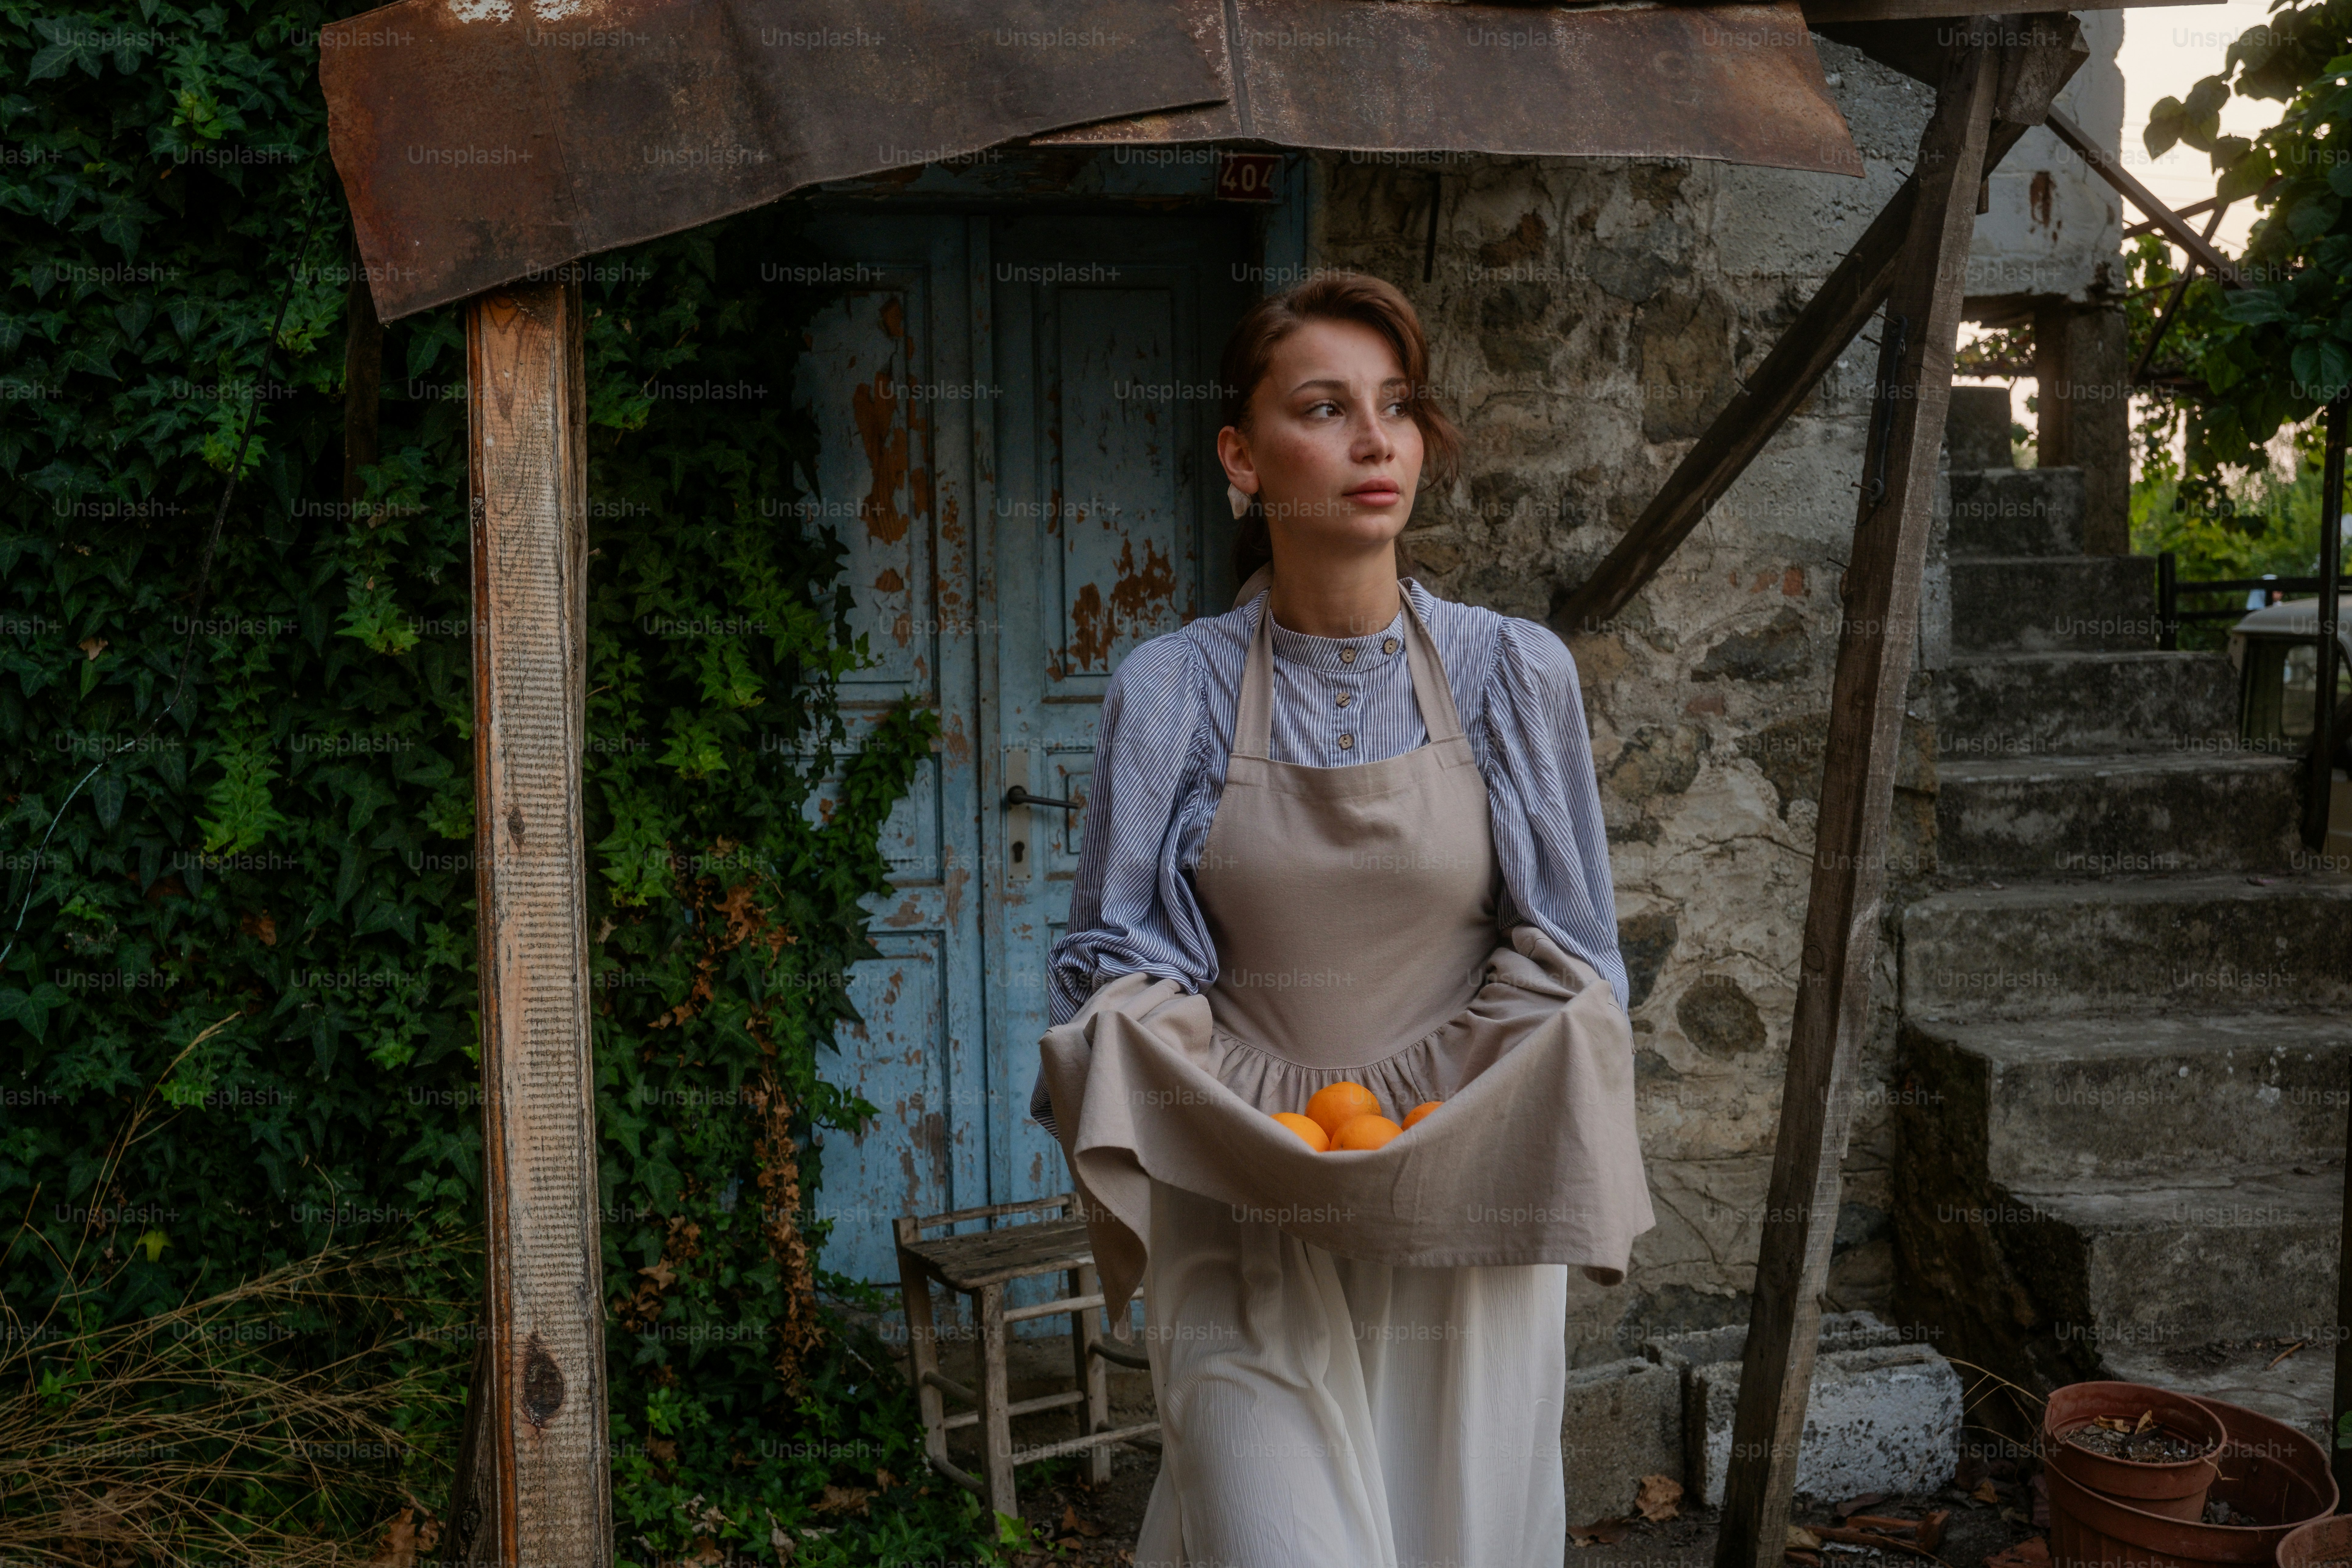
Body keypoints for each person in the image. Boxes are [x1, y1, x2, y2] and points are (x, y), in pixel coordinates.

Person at [1032, 272, 1650, 1568]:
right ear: (1242, 459)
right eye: (1327, 407)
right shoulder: (1171, 691)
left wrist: (1452, 1106)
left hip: (1461, 1213)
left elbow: (1575, 955)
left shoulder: (1510, 673)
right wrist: (1223, 1103)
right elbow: (1118, 964)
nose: (1377, 440)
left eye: (1398, 405)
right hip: (1243, 1202)